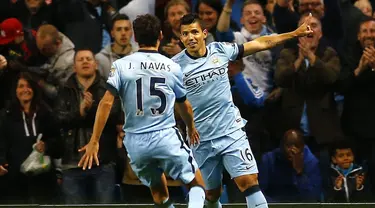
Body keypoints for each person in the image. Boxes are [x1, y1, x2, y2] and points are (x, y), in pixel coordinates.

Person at [171, 13, 313, 208]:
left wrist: (294, 33)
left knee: (249, 182)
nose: (190, 37)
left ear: (204, 33)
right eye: (185, 34)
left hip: (230, 130)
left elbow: (261, 43)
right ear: (180, 38)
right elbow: (174, 102)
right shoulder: (175, 66)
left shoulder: (220, 50)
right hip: (200, 138)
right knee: (211, 193)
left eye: (194, 32)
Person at [77, 14, 206, 208]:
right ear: (160, 35)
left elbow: (105, 104)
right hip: (165, 136)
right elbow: (184, 105)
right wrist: (191, 127)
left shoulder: (120, 66)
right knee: (198, 185)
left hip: (136, 143)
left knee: (159, 193)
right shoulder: (172, 66)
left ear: (135, 38)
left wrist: (94, 140)